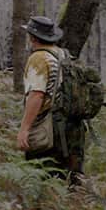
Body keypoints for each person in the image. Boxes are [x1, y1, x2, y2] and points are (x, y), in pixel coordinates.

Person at [16, 15, 83, 181]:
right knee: (68, 181)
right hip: (72, 126)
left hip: (49, 128)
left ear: (32, 37)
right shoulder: (63, 55)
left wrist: (24, 129)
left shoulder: (39, 58)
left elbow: (37, 95)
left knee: (41, 179)